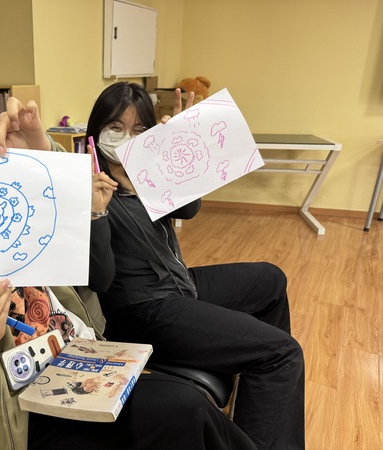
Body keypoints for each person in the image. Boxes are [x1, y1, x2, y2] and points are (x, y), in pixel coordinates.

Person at [0, 94, 258, 449]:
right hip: (16, 415)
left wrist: (36, 144)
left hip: (81, 355)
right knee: (184, 408)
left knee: (186, 407)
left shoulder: (22, 208)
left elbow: (72, 192)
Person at [82, 81, 305, 450]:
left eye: (139, 129)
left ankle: (262, 397)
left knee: (271, 280)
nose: (126, 137)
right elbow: (101, 281)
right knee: (282, 353)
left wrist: (176, 146)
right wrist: (97, 213)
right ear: (96, 131)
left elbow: (189, 209)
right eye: (115, 127)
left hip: (178, 284)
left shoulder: (147, 171)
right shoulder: (91, 187)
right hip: (141, 309)